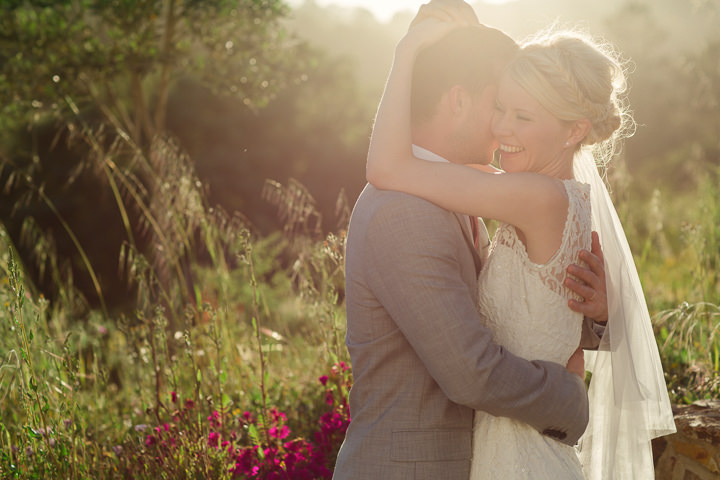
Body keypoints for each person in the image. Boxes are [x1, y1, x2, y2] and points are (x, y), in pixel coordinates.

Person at [364, 3, 676, 479]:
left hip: (523, 456)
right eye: (500, 107)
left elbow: (388, 167)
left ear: (575, 130)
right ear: (459, 99)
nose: (502, 127)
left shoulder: (533, 197)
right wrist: (600, 314)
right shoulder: (516, 190)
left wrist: (405, 53)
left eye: (521, 116)